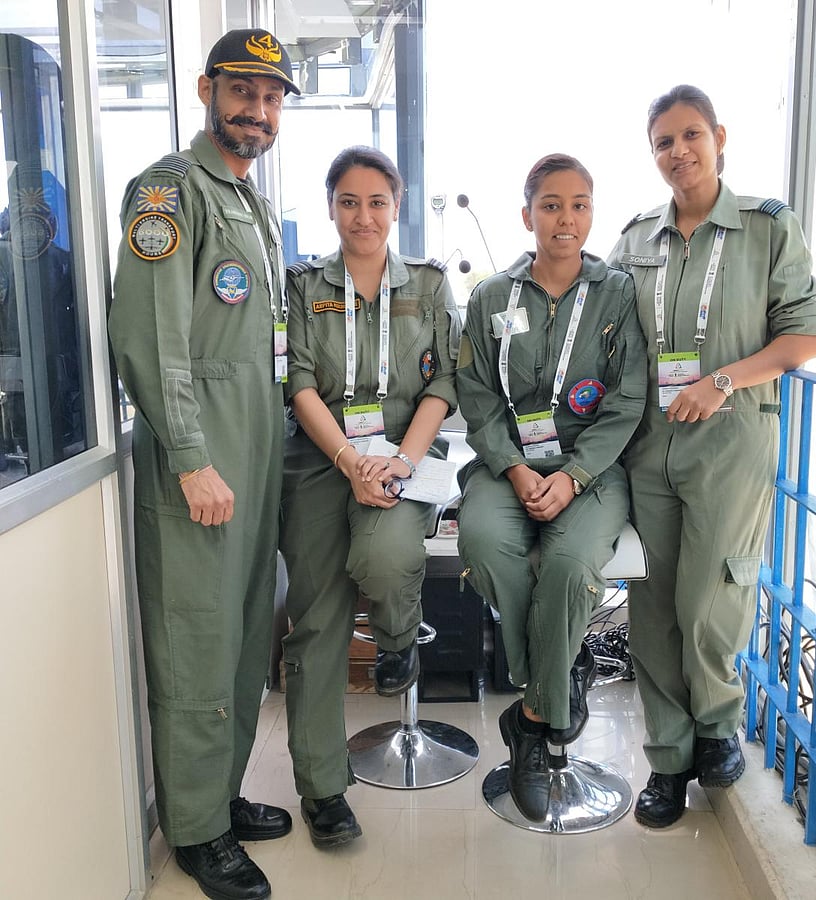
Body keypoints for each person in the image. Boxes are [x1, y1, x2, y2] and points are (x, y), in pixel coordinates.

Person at [108, 28, 299, 900]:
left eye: (271, 96)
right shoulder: (169, 192)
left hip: (254, 450)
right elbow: (151, 338)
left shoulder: (248, 201)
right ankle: (194, 831)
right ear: (205, 90)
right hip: (203, 457)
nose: (257, 109)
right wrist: (189, 457)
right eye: (242, 90)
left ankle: (219, 795)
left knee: (244, 634)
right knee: (195, 638)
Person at [607, 84, 816, 829]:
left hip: (730, 440)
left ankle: (717, 723)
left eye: (691, 135)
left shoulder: (767, 227)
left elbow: (803, 337)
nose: (679, 152)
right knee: (653, 607)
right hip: (649, 445)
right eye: (663, 142)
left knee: (712, 595)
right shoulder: (636, 239)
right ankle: (668, 759)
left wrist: (723, 380)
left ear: (719, 137)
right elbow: (602, 326)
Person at [455, 153, 647, 822]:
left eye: (579, 205)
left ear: (592, 213)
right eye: (552, 205)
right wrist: (515, 469)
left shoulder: (618, 294)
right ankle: (558, 678)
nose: (566, 219)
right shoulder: (489, 297)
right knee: (482, 543)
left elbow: (627, 401)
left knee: (567, 566)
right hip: (507, 464)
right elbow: (478, 398)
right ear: (527, 214)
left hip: (592, 469)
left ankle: (533, 722)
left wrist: (573, 475)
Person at [279, 146, 461, 848]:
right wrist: (350, 460)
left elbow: (444, 382)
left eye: (377, 202)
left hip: (405, 452)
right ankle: (323, 789)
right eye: (349, 202)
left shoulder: (429, 284)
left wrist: (402, 460)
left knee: (386, 559)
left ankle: (396, 639)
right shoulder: (303, 286)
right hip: (323, 456)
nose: (363, 216)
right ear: (331, 206)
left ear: (397, 205)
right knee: (316, 619)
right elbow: (297, 381)